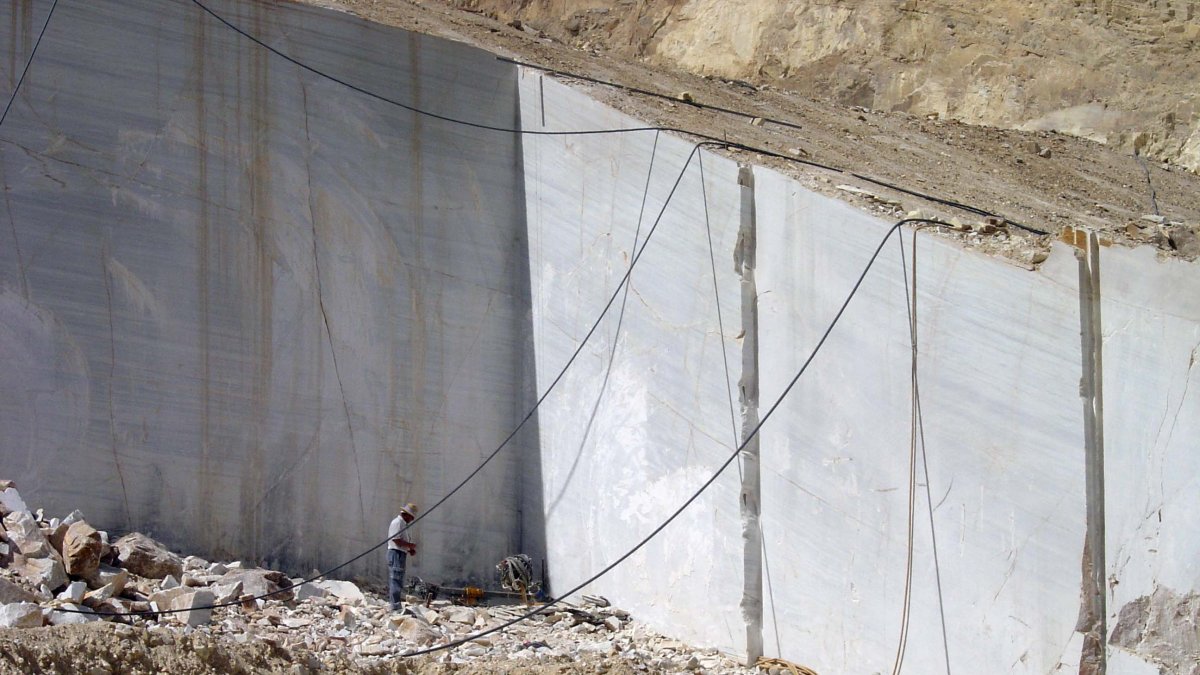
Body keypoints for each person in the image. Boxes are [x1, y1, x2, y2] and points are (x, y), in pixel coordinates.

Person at [387, 503, 418, 611]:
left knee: (398, 579)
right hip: (396, 553)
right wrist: (410, 546)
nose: (412, 520)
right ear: (407, 514)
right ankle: (395, 606)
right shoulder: (397, 523)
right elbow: (396, 540)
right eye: (411, 517)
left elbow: (400, 540)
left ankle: (396, 604)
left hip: (400, 553)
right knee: (396, 579)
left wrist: (410, 549)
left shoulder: (402, 524)